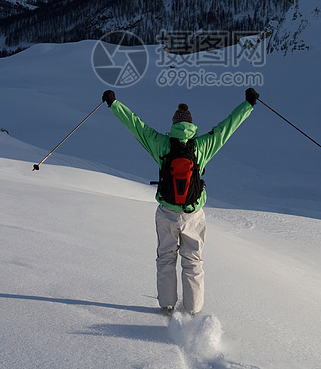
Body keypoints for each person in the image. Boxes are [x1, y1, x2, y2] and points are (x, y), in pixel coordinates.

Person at [102, 87, 259, 316]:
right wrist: (248, 104)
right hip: (193, 214)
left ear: (174, 124)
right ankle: (193, 310)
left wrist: (113, 104)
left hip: (166, 212)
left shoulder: (161, 144)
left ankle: (167, 306)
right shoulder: (202, 146)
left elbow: (136, 125)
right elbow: (228, 127)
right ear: (191, 125)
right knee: (193, 260)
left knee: (166, 257)